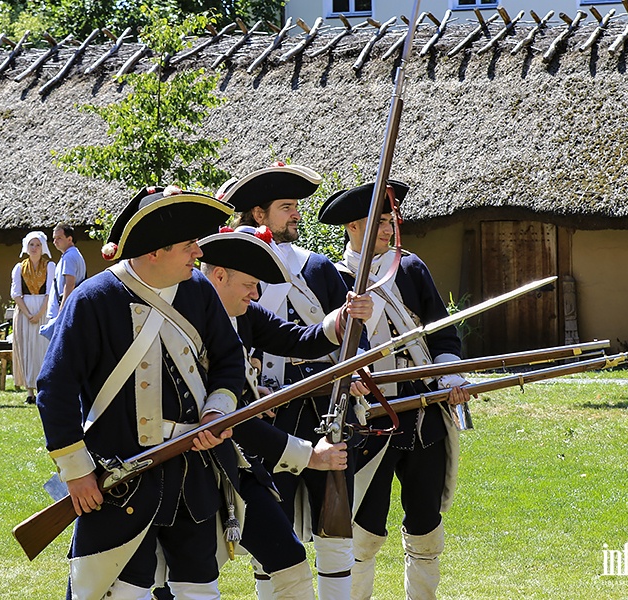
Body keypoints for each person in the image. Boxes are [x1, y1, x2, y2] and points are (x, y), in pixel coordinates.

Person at [36, 187, 245, 599]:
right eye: (188, 246)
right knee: (119, 592)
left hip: (192, 470)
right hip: (123, 479)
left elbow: (228, 360)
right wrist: (77, 473)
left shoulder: (198, 291)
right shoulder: (93, 300)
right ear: (154, 251)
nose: (197, 254)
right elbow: (54, 388)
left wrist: (215, 413)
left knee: (200, 590)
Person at [318, 180, 472, 600]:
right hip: (371, 423)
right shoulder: (332, 278)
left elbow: (442, 335)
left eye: (390, 221)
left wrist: (450, 375)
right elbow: (325, 347)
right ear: (353, 226)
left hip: (422, 415)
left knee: (425, 526)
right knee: (363, 530)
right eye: (379, 222)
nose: (388, 229)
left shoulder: (410, 268)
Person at [198, 229, 373, 599]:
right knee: (176, 577)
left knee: (287, 559)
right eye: (249, 284)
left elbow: (296, 338)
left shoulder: (240, 315)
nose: (256, 294)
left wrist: (342, 319)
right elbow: (233, 420)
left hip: (232, 463)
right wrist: (310, 455)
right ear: (218, 277)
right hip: (195, 467)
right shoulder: (192, 322)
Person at [221, 164, 358, 599]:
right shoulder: (218, 288)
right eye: (286, 207)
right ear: (259, 214)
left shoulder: (316, 269)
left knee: (329, 530)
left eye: (297, 206)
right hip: (260, 424)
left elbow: (316, 339)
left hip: (319, 413)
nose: (296, 215)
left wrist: (343, 328)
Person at [11, 231, 56, 404]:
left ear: (43, 247)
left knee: (43, 347)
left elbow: (50, 291)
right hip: (24, 311)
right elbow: (16, 293)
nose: (34, 248)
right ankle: (30, 391)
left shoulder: (50, 266)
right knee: (27, 347)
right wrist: (28, 313)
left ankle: (44, 386)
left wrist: (39, 313)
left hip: (44, 309)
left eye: (37, 245)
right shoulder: (19, 267)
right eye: (31, 244)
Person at [41, 222, 87, 339]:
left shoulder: (69, 257)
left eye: (59, 238)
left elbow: (69, 284)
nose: (55, 241)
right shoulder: (73, 255)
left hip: (63, 310)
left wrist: (62, 311)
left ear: (69, 239)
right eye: (54, 238)